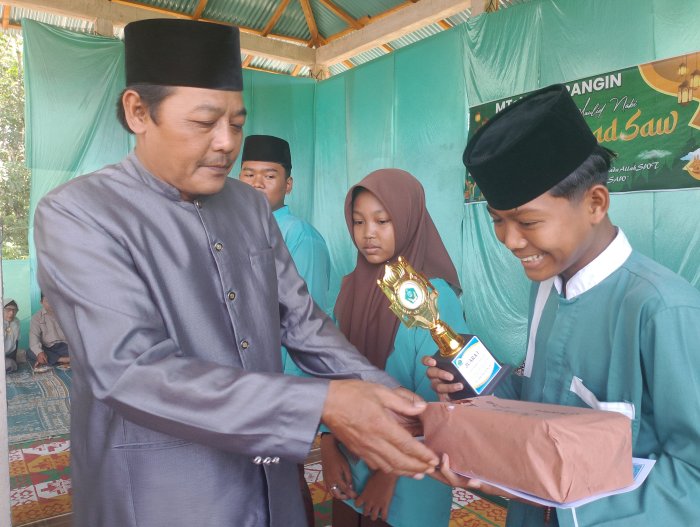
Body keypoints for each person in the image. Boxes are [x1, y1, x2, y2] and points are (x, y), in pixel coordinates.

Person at [33, 19, 438, 527]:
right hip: (163, 496)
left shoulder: (248, 206)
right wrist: (322, 402)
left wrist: (387, 398)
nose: (227, 143)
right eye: (204, 123)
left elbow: (301, 321)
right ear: (138, 112)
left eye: (237, 123)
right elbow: (131, 371)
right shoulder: (78, 214)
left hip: (268, 479)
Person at [425, 84, 700, 527]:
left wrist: (562, 500)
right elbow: (540, 404)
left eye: (528, 222)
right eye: (498, 221)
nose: (511, 241)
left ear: (595, 203)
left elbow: (692, 477)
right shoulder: (546, 290)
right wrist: (478, 382)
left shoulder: (665, 312)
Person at [322, 169, 468, 527]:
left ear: (408, 219)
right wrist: (327, 445)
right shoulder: (350, 289)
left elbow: (440, 402)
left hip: (407, 481)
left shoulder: (433, 296)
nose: (368, 233)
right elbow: (330, 371)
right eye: (358, 222)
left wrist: (388, 475)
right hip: (351, 463)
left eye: (382, 221)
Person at [238, 134, 331, 526]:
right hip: (243, 380)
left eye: (269, 175)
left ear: (288, 184)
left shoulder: (300, 237)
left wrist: (288, 396)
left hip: (281, 385)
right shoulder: (235, 232)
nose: (257, 183)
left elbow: (305, 323)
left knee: (284, 477)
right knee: (248, 481)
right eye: (249, 174)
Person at [29, 292, 70, 367]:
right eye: (48, 301)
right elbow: (34, 337)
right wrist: (39, 352)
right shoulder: (36, 317)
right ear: (41, 302)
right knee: (31, 352)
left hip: (64, 346)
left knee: (81, 351)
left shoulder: (66, 315)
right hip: (48, 348)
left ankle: (52, 360)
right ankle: (64, 360)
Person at [3, 298, 20, 373]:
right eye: (8, 309)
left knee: (13, 363)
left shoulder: (16, 322)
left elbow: (16, 341)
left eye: (14, 310)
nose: (11, 313)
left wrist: (13, 359)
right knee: (9, 364)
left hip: (8, 354)